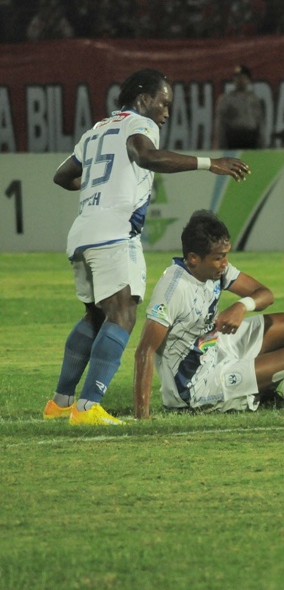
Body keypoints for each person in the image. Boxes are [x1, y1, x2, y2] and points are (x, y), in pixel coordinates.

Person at [45, 68, 251, 426]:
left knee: (95, 318)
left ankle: (60, 403)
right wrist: (210, 163)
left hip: (82, 232)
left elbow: (62, 176)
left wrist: (99, 183)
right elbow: (146, 157)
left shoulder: (96, 130)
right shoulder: (140, 125)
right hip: (114, 233)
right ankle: (86, 407)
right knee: (122, 316)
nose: (166, 113)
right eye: (164, 103)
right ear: (143, 99)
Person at [133, 210, 284, 418]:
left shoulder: (216, 271)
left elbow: (264, 294)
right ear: (194, 259)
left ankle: (266, 387)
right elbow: (145, 350)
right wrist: (142, 417)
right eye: (219, 258)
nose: (225, 263)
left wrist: (241, 306)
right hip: (195, 385)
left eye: (226, 255)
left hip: (215, 347)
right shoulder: (173, 290)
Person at [214, 64, 265, 150]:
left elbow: (260, 122)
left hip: (251, 138)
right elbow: (220, 124)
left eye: (242, 77)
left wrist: (262, 142)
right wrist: (220, 144)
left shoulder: (254, 99)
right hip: (234, 139)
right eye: (237, 78)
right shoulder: (227, 99)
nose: (240, 80)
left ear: (248, 80)